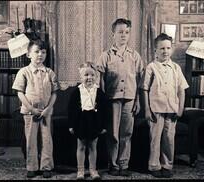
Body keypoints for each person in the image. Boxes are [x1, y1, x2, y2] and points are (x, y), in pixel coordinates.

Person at [96, 18, 144, 176]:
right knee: (113, 134)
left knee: (126, 133)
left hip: (129, 99)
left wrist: (137, 100)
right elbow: (101, 80)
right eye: (120, 32)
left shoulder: (135, 56)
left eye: (126, 32)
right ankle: (113, 164)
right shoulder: (105, 56)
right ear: (113, 34)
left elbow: (139, 81)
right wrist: (102, 101)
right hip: (112, 100)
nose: (123, 35)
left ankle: (124, 164)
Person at [140, 33, 189, 178]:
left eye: (168, 48)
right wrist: (147, 110)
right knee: (155, 138)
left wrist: (180, 108)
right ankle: (154, 165)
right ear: (155, 50)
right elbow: (144, 89)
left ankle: (167, 165)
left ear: (171, 49)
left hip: (172, 109)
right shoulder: (151, 67)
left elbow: (181, 89)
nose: (165, 51)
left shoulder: (176, 68)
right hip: (156, 109)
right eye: (161, 48)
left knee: (169, 138)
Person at [12, 39, 60, 178]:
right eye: (37, 51)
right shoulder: (24, 72)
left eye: (43, 52)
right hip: (30, 112)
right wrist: (31, 109)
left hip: (46, 112)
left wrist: (48, 109)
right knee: (31, 139)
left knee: (46, 139)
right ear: (29, 54)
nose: (40, 55)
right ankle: (32, 166)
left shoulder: (49, 72)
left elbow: (54, 93)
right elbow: (20, 92)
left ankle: (46, 167)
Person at [68, 62, 107, 180]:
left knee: (93, 146)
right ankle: (80, 170)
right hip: (81, 121)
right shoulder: (76, 92)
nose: (89, 77)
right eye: (86, 75)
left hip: (94, 121)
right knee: (81, 146)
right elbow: (71, 109)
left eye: (92, 75)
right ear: (81, 77)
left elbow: (104, 110)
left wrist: (104, 125)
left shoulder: (99, 92)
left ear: (96, 77)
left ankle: (93, 170)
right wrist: (71, 125)